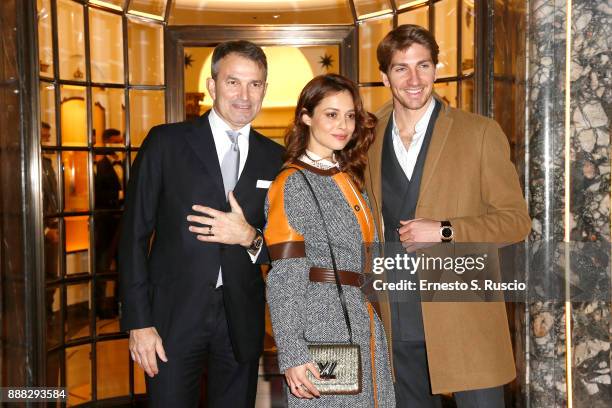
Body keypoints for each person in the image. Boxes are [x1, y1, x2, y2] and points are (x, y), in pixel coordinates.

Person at [364, 24, 531, 407]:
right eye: (401, 68)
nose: (414, 79)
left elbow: (515, 220)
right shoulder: (367, 138)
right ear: (384, 76)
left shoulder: (479, 133)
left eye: (423, 66)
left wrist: (445, 230)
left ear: (437, 69)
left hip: (465, 316)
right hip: (396, 313)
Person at [119, 40, 284, 407]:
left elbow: (285, 249)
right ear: (212, 86)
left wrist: (250, 237)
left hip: (240, 322)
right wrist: (139, 322)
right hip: (170, 320)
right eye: (233, 82)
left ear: (264, 90)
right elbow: (133, 237)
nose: (244, 95)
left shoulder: (275, 158)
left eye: (255, 84)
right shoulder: (166, 143)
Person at [264, 74, 395, 407]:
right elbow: (285, 274)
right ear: (307, 117)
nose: (344, 125)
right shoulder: (293, 182)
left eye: (350, 115)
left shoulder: (349, 175)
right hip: (323, 328)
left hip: (365, 319)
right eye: (331, 114)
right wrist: (292, 351)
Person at [94, 128, 123, 318]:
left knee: (124, 265)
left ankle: (119, 305)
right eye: (115, 141)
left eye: (120, 141)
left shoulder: (126, 162)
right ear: (106, 142)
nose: (119, 145)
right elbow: (97, 194)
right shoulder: (99, 165)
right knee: (103, 266)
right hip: (105, 224)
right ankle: (100, 307)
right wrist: (118, 195)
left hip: (123, 223)